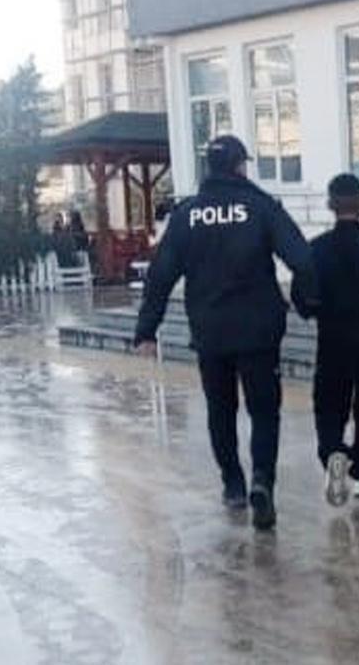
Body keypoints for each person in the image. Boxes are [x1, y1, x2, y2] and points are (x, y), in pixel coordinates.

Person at [134, 134, 319, 531]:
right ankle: (262, 481)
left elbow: (161, 274)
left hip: (210, 332)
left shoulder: (186, 214)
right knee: (264, 411)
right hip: (258, 332)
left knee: (221, 410)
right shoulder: (261, 207)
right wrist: (307, 303)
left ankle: (233, 484)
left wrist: (147, 328)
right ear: (239, 166)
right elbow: (303, 260)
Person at [300, 172, 359, 507]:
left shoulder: (316, 250)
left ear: (330, 204)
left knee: (329, 404)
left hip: (332, 339)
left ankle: (333, 451)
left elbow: (302, 297)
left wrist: (314, 309)